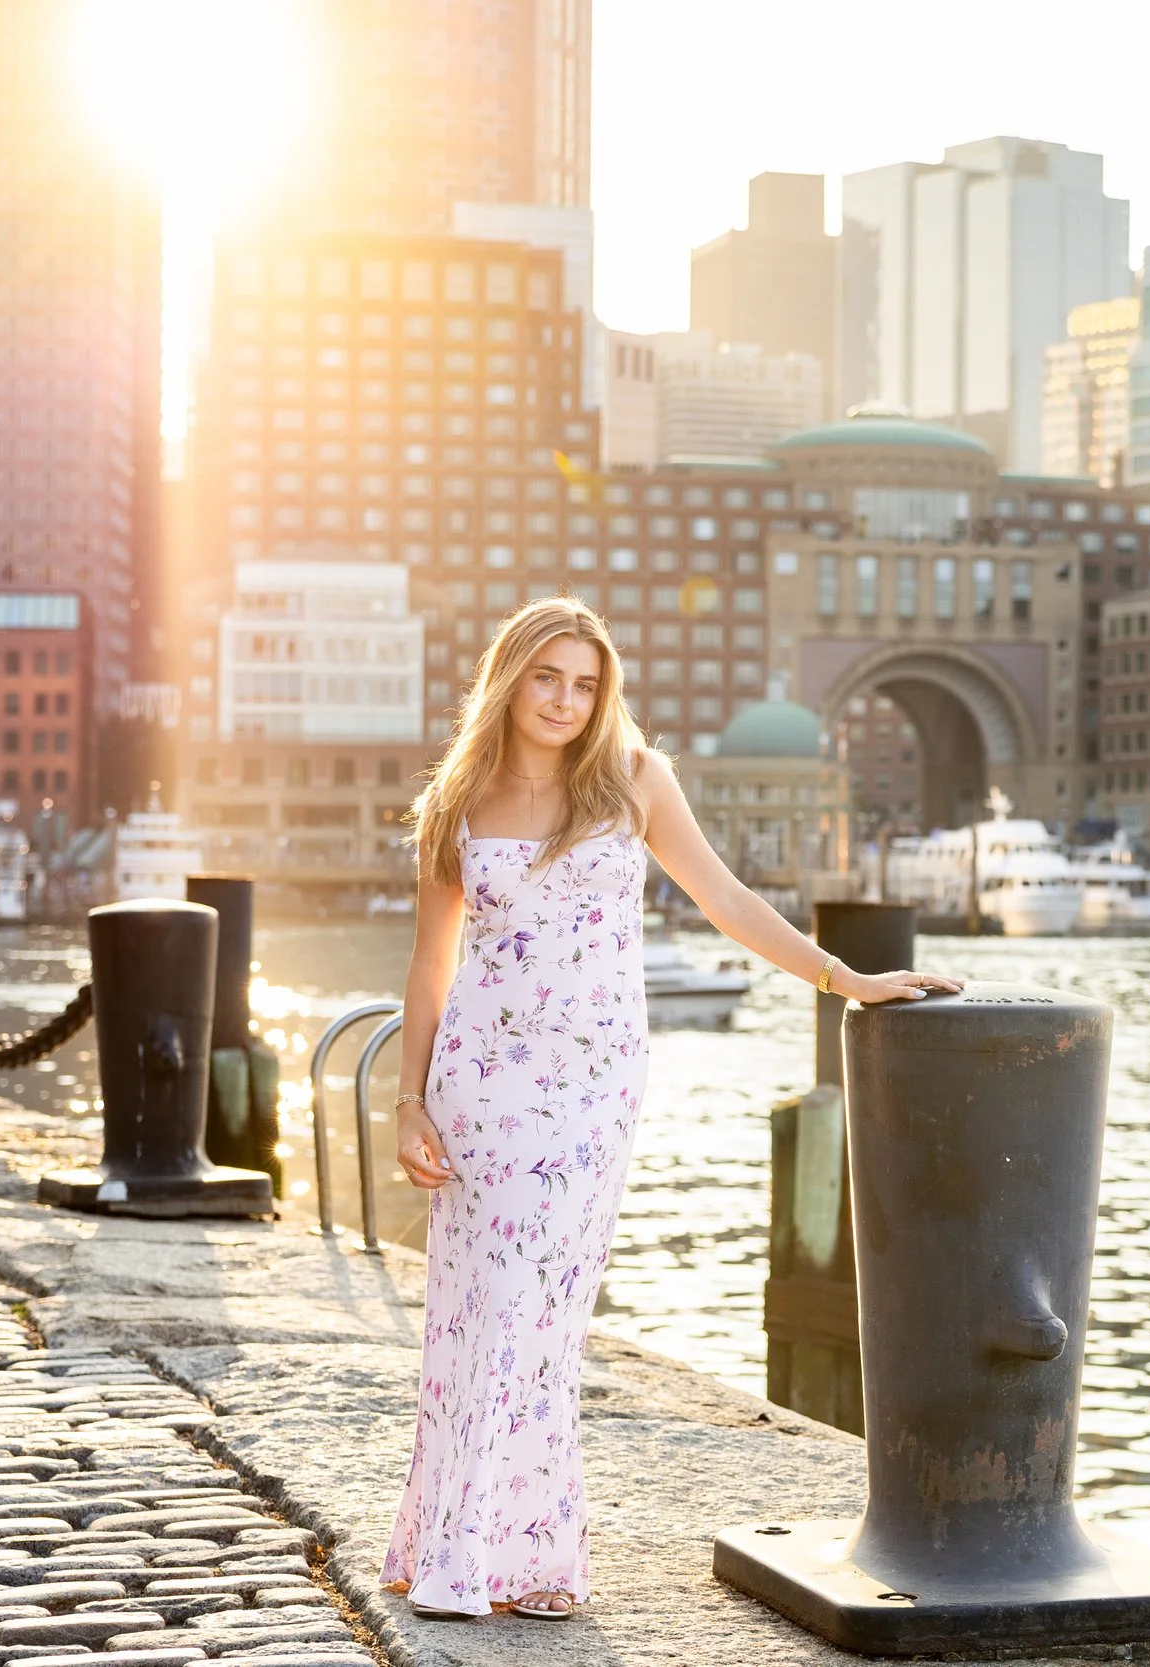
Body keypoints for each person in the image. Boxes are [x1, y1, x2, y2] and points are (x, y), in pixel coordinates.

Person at [380, 598, 959, 1620]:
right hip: (485, 1084)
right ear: (508, 679)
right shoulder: (456, 803)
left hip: (594, 1085)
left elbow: (727, 901)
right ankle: (468, 1553)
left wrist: (847, 979)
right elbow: (432, 964)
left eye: (585, 681)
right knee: (483, 1305)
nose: (564, 699)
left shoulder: (635, 780)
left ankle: (530, 1554)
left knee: (546, 1312)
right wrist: (405, 1099)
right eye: (546, 676)